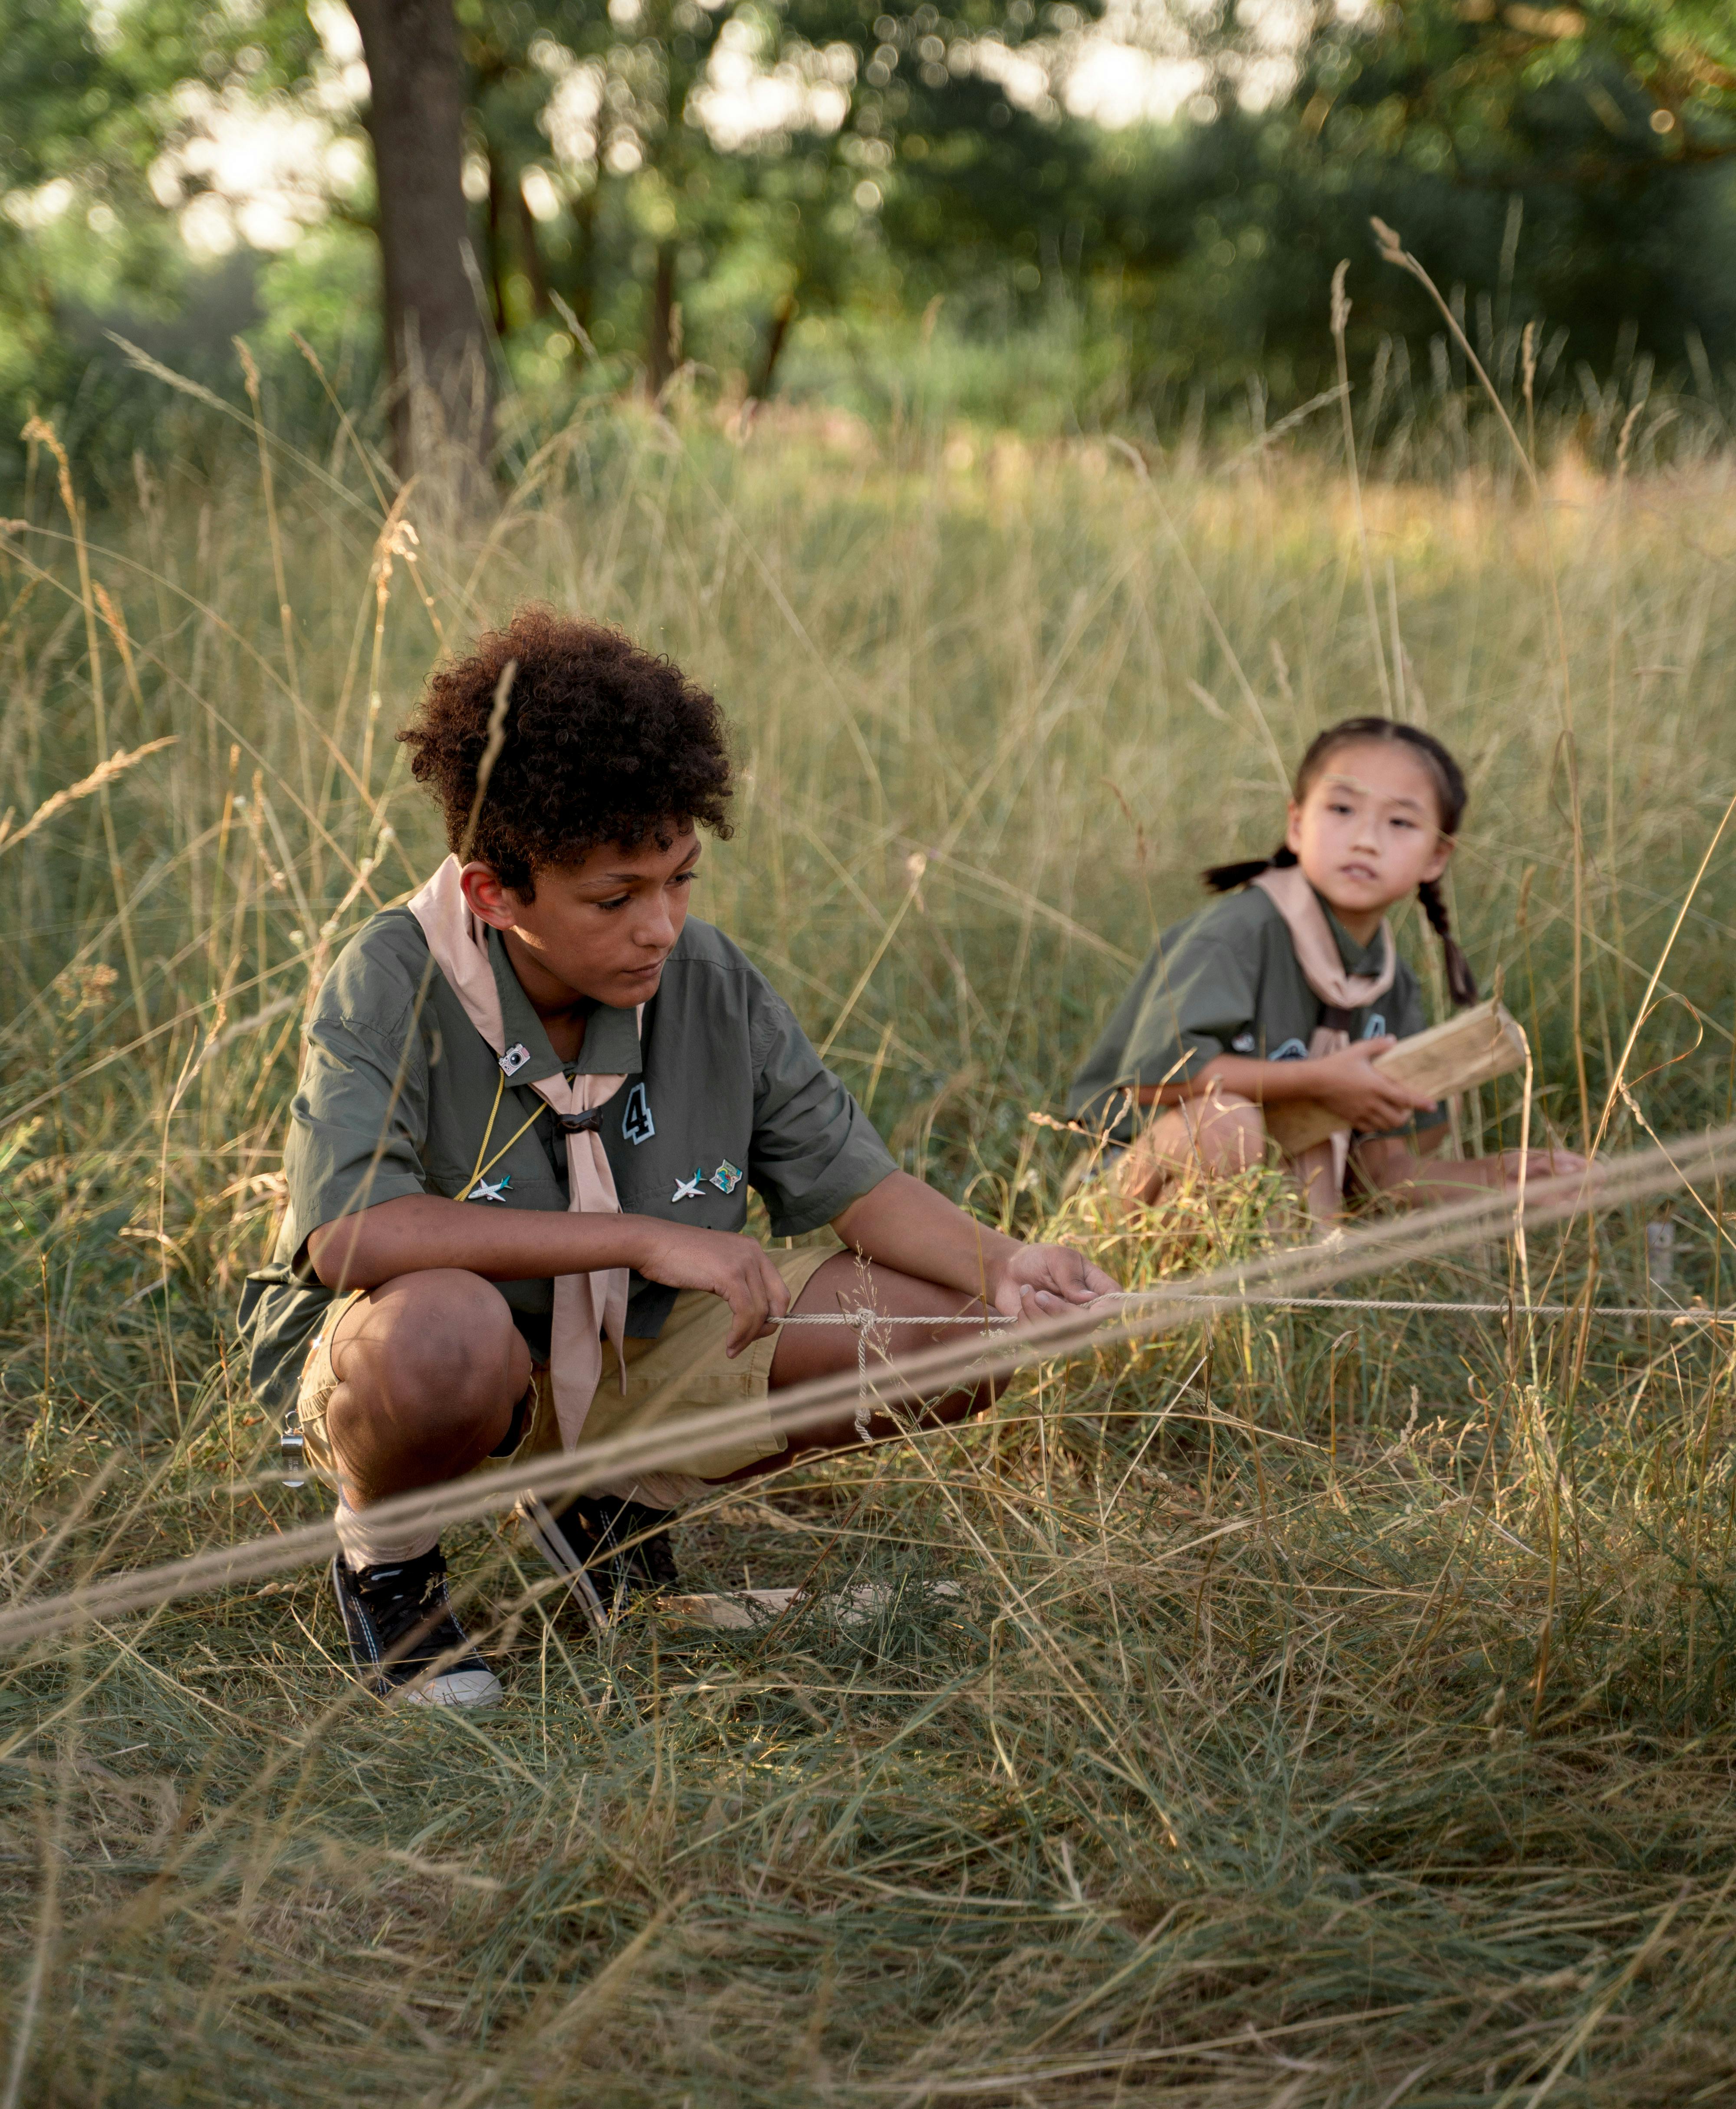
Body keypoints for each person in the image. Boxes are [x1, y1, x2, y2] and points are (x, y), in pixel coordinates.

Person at [241, 609, 1117, 1707]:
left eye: (680, 880)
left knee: (962, 1331)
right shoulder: (391, 976)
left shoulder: (704, 977)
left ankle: (610, 1509)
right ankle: (391, 1557)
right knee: (446, 1335)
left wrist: (1003, 1264)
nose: (661, 926)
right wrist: (641, 1234)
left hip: (629, 1351)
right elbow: (353, 1233)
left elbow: (856, 1183)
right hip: (430, 1365)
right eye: (616, 899)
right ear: (493, 894)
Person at [1065, 714, 1588, 1222]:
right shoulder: (1240, 932)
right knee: (1227, 1123)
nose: (1365, 839)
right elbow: (1153, 1081)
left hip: (1260, 1200)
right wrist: (1320, 1081)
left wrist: (1499, 1179)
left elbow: (1380, 1175)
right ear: (1296, 824)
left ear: (1436, 858)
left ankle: (1274, 1283)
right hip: (1120, 1193)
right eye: (1341, 810)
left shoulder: (1390, 982)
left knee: (1418, 1123)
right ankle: (1183, 1302)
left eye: (1401, 822)